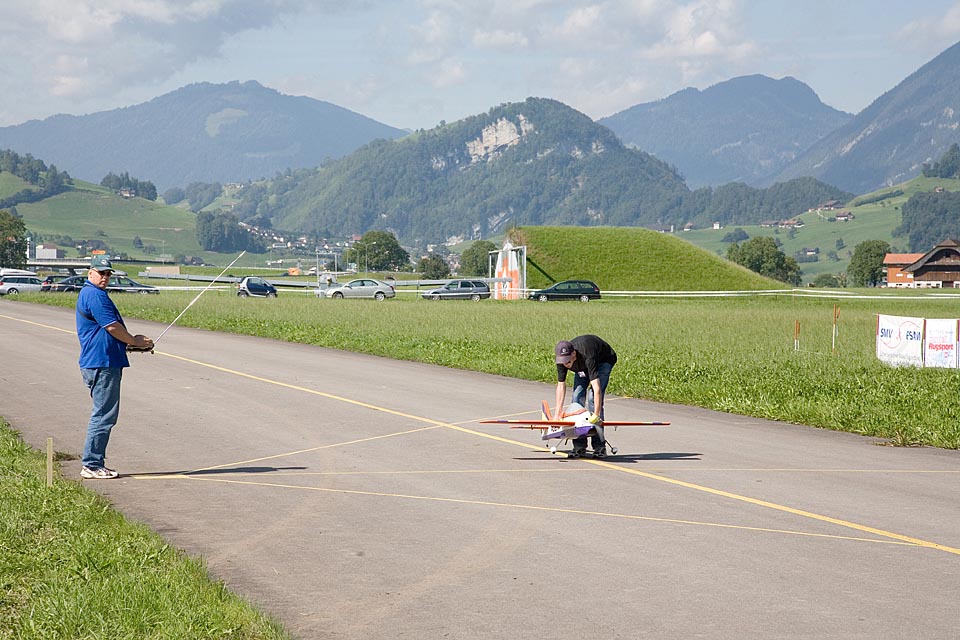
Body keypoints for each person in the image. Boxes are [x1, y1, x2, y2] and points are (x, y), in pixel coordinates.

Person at [76, 255, 153, 479]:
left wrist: (129, 344)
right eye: (101, 273)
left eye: (108, 273)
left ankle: (93, 462)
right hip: (102, 363)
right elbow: (111, 327)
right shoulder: (95, 295)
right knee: (104, 415)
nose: (105, 277)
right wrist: (134, 340)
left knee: (104, 414)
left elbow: (107, 333)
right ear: (90, 273)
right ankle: (91, 464)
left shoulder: (92, 293)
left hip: (102, 360)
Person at [554, 335, 618, 458]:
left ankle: (599, 446)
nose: (566, 364)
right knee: (576, 397)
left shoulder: (587, 355)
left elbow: (596, 388)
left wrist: (596, 415)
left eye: (568, 361)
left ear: (574, 354)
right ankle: (579, 446)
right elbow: (561, 386)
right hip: (581, 366)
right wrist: (557, 414)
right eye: (563, 362)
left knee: (592, 398)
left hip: (603, 360)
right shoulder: (562, 361)